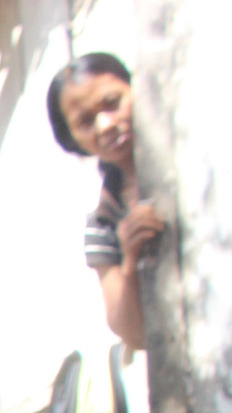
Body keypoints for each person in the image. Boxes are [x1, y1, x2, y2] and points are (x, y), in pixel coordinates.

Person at [47, 52, 166, 351]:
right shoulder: (104, 224)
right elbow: (134, 335)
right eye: (85, 122)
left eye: (112, 104)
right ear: (74, 139)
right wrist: (129, 258)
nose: (105, 125)